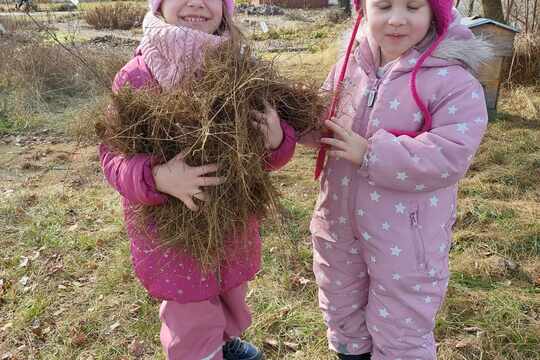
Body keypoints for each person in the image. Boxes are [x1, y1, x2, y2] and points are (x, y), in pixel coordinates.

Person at [98, 0, 296, 359]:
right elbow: (112, 157)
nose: (197, 3)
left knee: (230, 294)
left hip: (231, 221)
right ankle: (200, 352)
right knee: (190, 313)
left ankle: (222, 342)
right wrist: (157, 177)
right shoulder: (138, 76)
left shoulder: (241, 68)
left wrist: (276, 140)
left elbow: (270, 158)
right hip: (173, 235)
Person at [301, 0, 491, 358]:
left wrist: (371, 153)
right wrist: (284, 130)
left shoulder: (452, 79)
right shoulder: (349, 67)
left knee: (400, 326)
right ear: (363, 10)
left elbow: (449, 154)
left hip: (406, 239)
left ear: (435, 13)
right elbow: (323, 124)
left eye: (413, 7)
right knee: (342, 309)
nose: (397, 20)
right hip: (338, 224)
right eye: (384, 6)